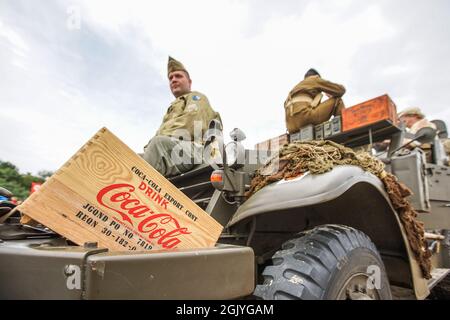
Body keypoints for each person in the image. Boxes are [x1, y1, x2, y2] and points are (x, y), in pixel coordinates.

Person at [143, 57, 222, 177]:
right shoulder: (172, 108)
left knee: (156, 145)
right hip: (181, 150)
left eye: (178, 76)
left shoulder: (197, 97)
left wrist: (151, 145)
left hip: (200, 150)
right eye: (170, 78)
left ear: (189, 82)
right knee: (136, 158)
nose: (173, 80)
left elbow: (189, 125)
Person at [284, 68, 346, 134]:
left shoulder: (294, 90)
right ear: (317, 76)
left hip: (291, 127)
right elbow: (341, 90)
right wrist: (331, 93)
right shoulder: (314, 79)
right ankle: (345, 127)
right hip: (305, 119)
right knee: (337, 100)